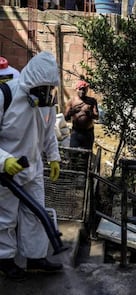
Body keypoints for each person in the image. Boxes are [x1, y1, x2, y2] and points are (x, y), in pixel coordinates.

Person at [0, 51, 62, 280]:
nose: (47, 93)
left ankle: (36, 258)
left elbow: (48, 134)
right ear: (31, 82)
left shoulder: (45, 102)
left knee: (36, 214)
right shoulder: (5, 95)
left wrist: (54, 157)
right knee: (5, 218)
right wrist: (4, 160)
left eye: (50, 88)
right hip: (7, 172)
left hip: (33, 168)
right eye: (43, 87)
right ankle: (4, 259)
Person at [64, 80, 99, 150]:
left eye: (84, 89)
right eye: (80, 89)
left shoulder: (92, 101)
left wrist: (89, 113)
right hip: (76, 132)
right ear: (76, 89)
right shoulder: (71, 101)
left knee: (86, 155)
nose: (82, 91)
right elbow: (65, 117)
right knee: (74, 155)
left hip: (88, 133)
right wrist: (72, 112)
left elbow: (97, 117)